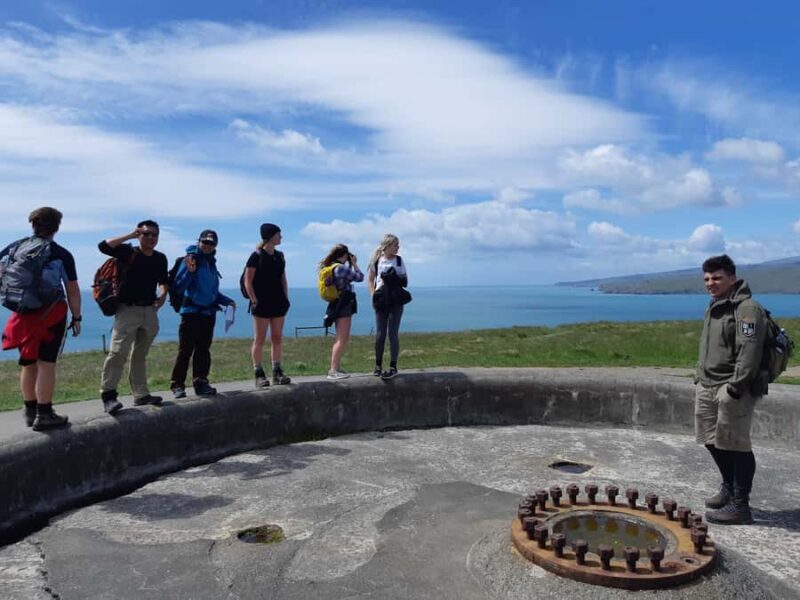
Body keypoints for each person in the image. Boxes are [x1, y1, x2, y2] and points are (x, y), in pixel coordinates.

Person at [695, 254, 767, 525]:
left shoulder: (747, 309)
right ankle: (728, 486)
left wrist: (735, 388)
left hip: (732, 388)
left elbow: (749, 353)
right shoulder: (715, 305)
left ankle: (740, 505)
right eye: (707, 279)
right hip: (707, 384)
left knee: (737, 445)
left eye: (717, 278)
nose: (710, 283)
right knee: (711, 439)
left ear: (732, 278)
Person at [0, 207, 81, 431]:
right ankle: (44, 414)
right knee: (46, 364)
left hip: (22, 314)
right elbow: (73, 290)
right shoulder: (60, 254)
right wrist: (77, 316)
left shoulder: (13, 248)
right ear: (56, 227)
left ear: (33, 224)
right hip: (50, 314)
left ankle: (30, 410)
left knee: (28, 362)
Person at [98, 220, 169, 413]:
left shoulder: (160, 258)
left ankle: (141, 394)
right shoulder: (128, 252)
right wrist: (130, 235)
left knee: (140, 355)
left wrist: (163, 294)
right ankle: (109, 396)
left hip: (149, 311)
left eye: (155, 234)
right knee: (117, 353)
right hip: (127, 310)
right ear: (139, 235)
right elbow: (103, 246)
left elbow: (164, 280)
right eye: (146, 234)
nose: (151, 238)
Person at [169, 230, 236, 398]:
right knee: (185, 350)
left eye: (211, 243)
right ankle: (177, 385)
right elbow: (178, 286)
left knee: (203, 350)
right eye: (205, 242)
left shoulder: (210, 263)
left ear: (215, 246)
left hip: (208, 313)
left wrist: (228, 301)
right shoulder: (191, 260)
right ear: (199, 242)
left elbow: (212, 293)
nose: (207, 245)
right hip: (191, 313)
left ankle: (200, 382)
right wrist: (190, 273)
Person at [243, 223, 291, 388]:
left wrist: (286, 298)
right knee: (260, 339)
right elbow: (247, 281)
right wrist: (254, 300)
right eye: (279, 234)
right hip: (261, 303)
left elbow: (282, 279)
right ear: (270, 236)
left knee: (277, 337)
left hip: (278, 302)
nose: (281, 237)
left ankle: (277, 372)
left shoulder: (280, 256)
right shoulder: (256, 256)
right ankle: (258, 373)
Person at [366, 234, 408, 380]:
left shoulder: (399, 260)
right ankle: (378, 365)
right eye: (395, 245)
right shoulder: (377, 261)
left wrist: (394, 278)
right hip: (381, 299)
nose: (397, 248)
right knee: (380, 334)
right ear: (387, 246)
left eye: (398, 245)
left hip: (396, 299)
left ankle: (393, 366)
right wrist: (373, 296)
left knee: (393, 333)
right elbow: (370, 280)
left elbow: (405, 279)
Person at [320, 244, 364, 380]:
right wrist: (355, 264)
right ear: (344, 255)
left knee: (340, 337)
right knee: (342, 338)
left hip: (336, 303)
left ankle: (336, 368)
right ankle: (333, 369)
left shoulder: (331, 268)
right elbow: (360, 277)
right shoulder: (340, 268)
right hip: (344, 304)